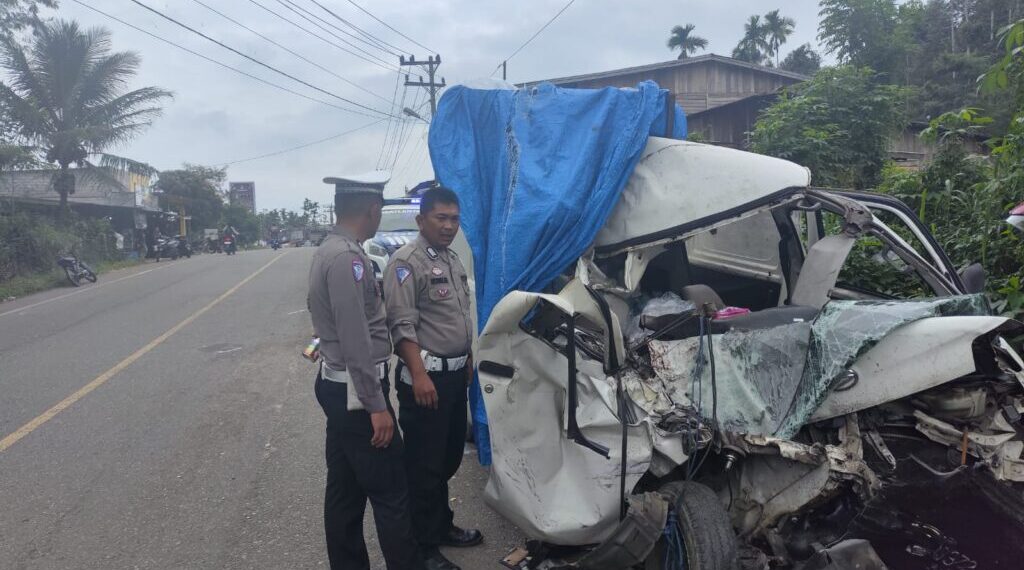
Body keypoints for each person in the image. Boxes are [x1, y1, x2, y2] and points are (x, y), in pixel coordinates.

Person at [307, 173, 424, 570]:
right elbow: (355, 336)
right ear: (373, 211)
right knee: (392, 490)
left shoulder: (330, 249)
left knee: (344, 488)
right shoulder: (347, 259)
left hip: (339, 386)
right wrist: (376, 405)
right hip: (358, 393)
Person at [384, 187, 482, 570]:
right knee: (424, 465)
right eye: (441, 218)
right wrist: (420, 375)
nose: (448, 225)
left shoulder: (452, 259)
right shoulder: (406, 263)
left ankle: (441, 525)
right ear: (421, 220)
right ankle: (422, 548)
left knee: (447, 459)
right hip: (425, 381)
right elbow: (401, 325)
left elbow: (458, 316)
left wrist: (468, 357)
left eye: (454, 219)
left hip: (455, 378)